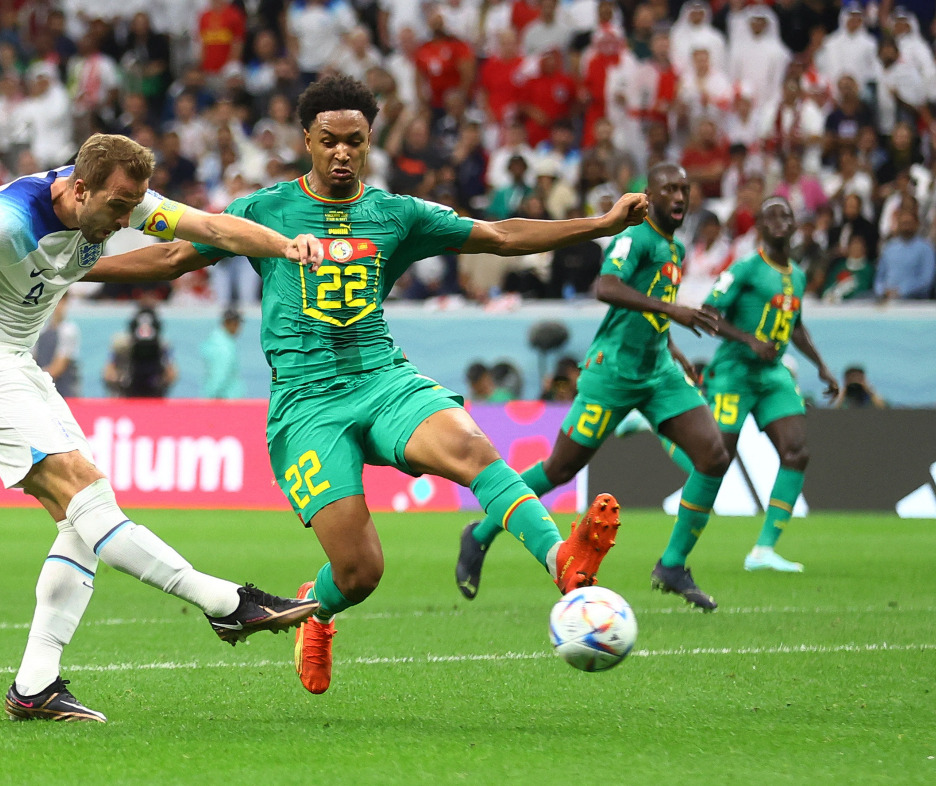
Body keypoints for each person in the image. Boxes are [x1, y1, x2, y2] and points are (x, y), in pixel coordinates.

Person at [133, 75, 646, 695]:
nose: (342, 152)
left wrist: (602, 224)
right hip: (307, 403)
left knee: (472, 449)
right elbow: (171, 258)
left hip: (382, 379)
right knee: (359, 573)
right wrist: (72, 270)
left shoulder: (396, 215)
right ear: (307, 140)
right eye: (329, 140)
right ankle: (317, 611)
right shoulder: (264, 210)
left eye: (354, 141)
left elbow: (500, 236)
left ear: (370, 141)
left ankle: (560, 559)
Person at [0, 133, 324, 723]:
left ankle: (35, 686)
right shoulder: (4, 221)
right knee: (84, 492)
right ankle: (226, 602)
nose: (127, 220)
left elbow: (210, 227)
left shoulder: (118, 196)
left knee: (84, 516)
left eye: (133, 207)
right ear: (80, 189)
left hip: (17, 364)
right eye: (118, 208)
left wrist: (287, 246)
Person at [459, 163, 730, 612]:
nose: (680, 197)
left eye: (685, 189)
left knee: (714, 456)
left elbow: (650, 310)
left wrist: (672, 345)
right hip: (613, 374)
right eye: (669, 189)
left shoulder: (675, 247)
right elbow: (605, 287)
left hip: (658, 371)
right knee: (560, 469)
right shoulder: (634, 237)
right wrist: (673, 311)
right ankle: (480, 533)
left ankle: (672, 565)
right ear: (649, 196)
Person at [700, 197, 839, 573]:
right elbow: (708, 312)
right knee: (716, 458)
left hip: (772, 374)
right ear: (760, 226)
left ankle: (763, 550)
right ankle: (654, 426)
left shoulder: (797, 276)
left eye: (786, 216)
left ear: (794, 225)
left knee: (797, 451)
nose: (780, 221)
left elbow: (796, 325)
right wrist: (748, 340)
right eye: (771, 216)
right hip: (734, 371)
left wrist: (821, 366)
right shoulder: (746, 268)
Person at [103, 304, 178, 397]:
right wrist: (120, 380)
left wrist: (161, 382)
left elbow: (171, 374)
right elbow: (108, 373)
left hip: (153, 389)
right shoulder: (120, 345)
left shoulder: (163, 345)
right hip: (125, 388)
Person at [875, 209, 936, 300]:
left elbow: (926, 280)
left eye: (909, 223)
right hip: (887, 300)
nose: (906, 226)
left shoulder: (926, 249)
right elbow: (879, 276)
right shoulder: (889, 247)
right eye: (903, 223)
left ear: (917, 224)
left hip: (915, 302)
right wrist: (882, 290)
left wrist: (901, 291)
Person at [33, 295, 81, 398]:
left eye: (60, 302)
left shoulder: (69, 330)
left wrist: (36, 378)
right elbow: (33, 357)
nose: (57, 307)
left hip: (64, 391)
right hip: (42, 387)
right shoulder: (41, 329)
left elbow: (59, 367)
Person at [199, 307, 245, 399]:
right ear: (228, 323)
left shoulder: (218, 342)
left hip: (223, 398)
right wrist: (214, 396)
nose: (239, 328)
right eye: (236, 324)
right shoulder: (223, 347)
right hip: (225, 399)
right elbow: (219, 375)